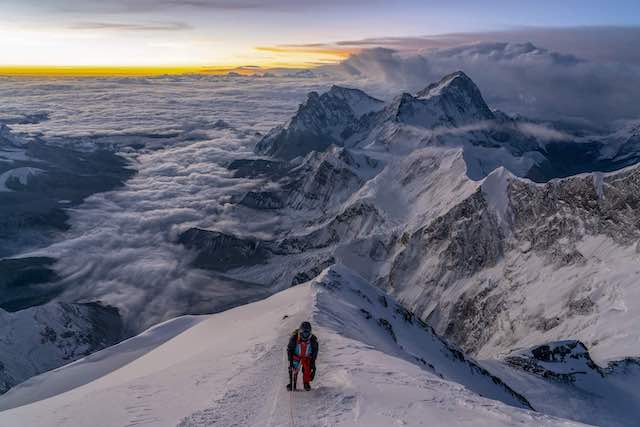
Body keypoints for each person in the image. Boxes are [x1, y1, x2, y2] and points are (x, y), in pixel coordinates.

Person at [286, 321, 318, 391]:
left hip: (307, 357)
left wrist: (313, 364)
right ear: (300, 332)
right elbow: (290, 350)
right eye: (304, 332)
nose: (305, 335)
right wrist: (290, 362)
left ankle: (306, 383)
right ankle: (292, 383)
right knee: (294, 368)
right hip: (296, 355)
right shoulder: (294, 338)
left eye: (307, 333)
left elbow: (315, 352)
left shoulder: (313, 340)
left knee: (308, 368)